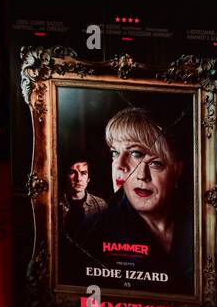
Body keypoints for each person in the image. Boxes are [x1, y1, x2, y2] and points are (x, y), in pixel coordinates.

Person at [72, 107, 193, 291]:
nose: (119, 166)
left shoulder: (203, 224)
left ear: (177, 169)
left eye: (136, 153)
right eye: (114, 153)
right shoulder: (93, 232)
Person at [59, 160, 108, 237]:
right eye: (72, 172)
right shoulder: (54, 204)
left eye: (83, 173)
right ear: (65, 176)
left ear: (88, 179)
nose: (78, 179)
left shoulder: (100, 205)